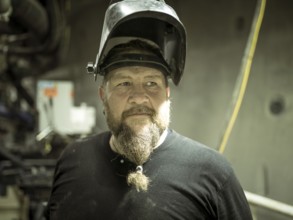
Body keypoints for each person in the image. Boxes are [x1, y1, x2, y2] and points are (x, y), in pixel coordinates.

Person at [46, 0, 253, 219]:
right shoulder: (72, 160)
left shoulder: (213, 174)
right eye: (124, 83)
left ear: (167, 93)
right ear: (103, 96)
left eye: (151, 83)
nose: (138, 97)